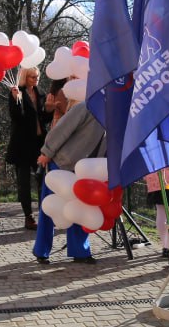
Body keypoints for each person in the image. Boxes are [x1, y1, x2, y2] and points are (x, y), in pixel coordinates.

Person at [33, 100, 105, 265]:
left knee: (81, 208)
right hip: (62, 163)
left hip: (86, 169)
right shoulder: (85, 107)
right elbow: (62, 130)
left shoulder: (114, 116)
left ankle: (80, 250)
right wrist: (47, 152)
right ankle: (41, 250)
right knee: (49, 208)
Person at [6, 67, 50, 230]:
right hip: (22, 144)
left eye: (37, 76)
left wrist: (50, 110)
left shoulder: (41, 93)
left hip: (39, 143)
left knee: (42, 180)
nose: (35, 79)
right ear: (25, 77)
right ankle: (28, 216)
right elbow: (16, 117)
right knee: (24, 182)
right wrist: (16, 100)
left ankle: (44, 213)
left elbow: (44, 118)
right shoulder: (17, 92)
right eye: (32, 77)